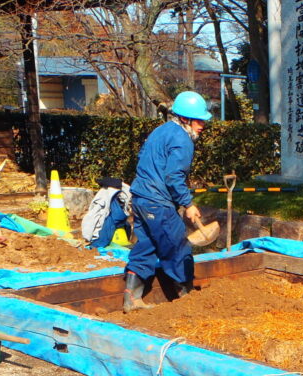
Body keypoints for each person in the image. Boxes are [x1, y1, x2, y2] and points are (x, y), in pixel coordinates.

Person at [123, 91, 213, 312]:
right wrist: (188, 204)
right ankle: (187, 300)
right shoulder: (183, 140)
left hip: (141, 198)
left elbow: (143, 158)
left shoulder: (161, 131)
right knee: (178, 247)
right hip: (157, 202)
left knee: (146, 245)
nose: (203, 125)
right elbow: (174, 176)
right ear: (185, 118)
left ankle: (131, 299)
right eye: (199, 120)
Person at [81, 177, 132, 249]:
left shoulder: (103, 198)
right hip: (119, 227)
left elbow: (91, 219)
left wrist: (87, 237)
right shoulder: (122, 198)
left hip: (106, 232)